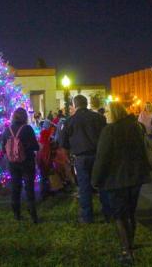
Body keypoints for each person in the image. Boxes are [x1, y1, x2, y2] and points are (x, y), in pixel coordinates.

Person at [92, 102, 151, 265]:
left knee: (119, 215)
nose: (105, 114)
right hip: (136, 177)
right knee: (131, 212)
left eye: (107, 112)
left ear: (114, 113)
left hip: (117, 179)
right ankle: (130, 244)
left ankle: (126, 251)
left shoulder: (109, 130)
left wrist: (95, 180)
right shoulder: (136, 127)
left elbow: (102, 158)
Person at [63, 95, 110, 224]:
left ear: (74, 104)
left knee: (84, 187)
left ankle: (87, 216)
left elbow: (64, 144)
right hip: (98, 156)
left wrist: (68, 159)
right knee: (102, 185)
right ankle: (108, 213)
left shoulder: (69, 121)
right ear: (86, 103)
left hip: (81, 158)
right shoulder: (99, 118)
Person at [2, 108, 40, 223]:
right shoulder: (27, 129)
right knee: (29, 188)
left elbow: (3, 149)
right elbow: (35, 146)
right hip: (27, 162)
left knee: (15, 188)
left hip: (13, 164)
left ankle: (17, 214)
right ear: (25, 117)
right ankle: (33, 215)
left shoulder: (7, 130)